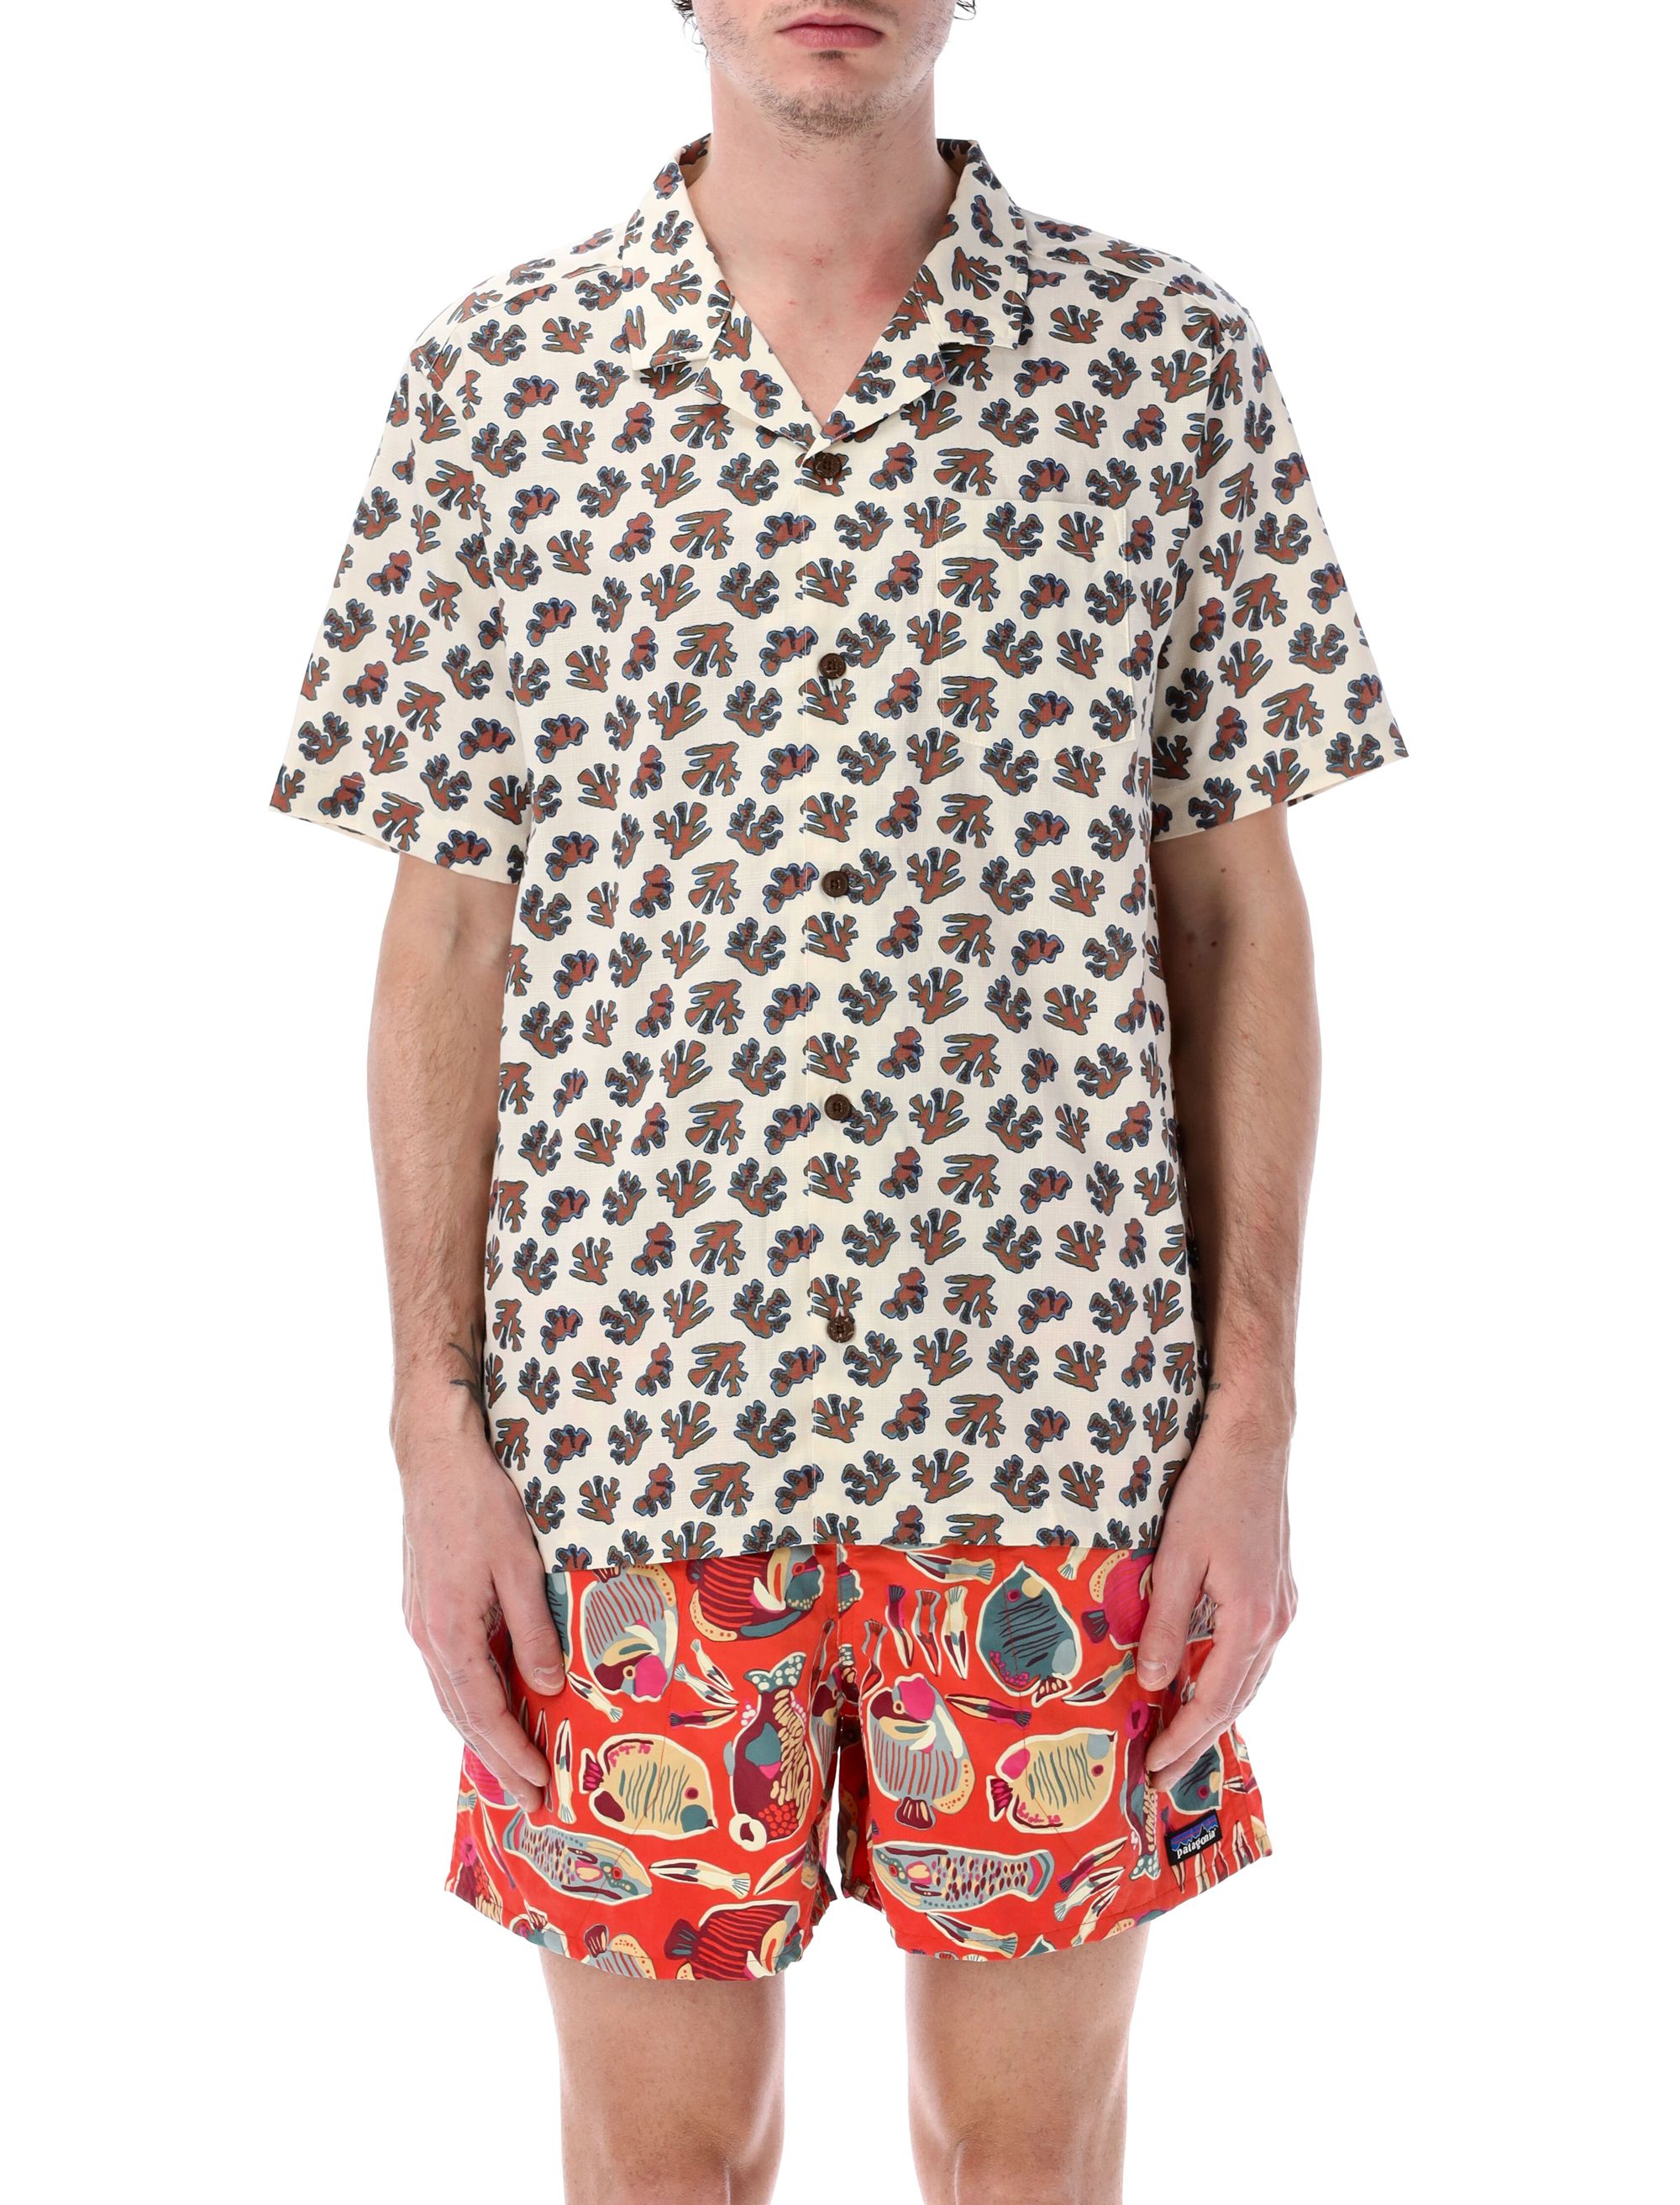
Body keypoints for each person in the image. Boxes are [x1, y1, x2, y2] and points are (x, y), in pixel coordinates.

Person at [270, 3, 1408, 2197]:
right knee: (661, 2159)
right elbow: (447, 937)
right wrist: (430, 1422)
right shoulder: (502, 382)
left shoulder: (1162, 365)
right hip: (627, 1442)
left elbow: (1236, 915)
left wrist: (1254, 1411)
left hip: (1058, 1427)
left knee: (1026, 2150)